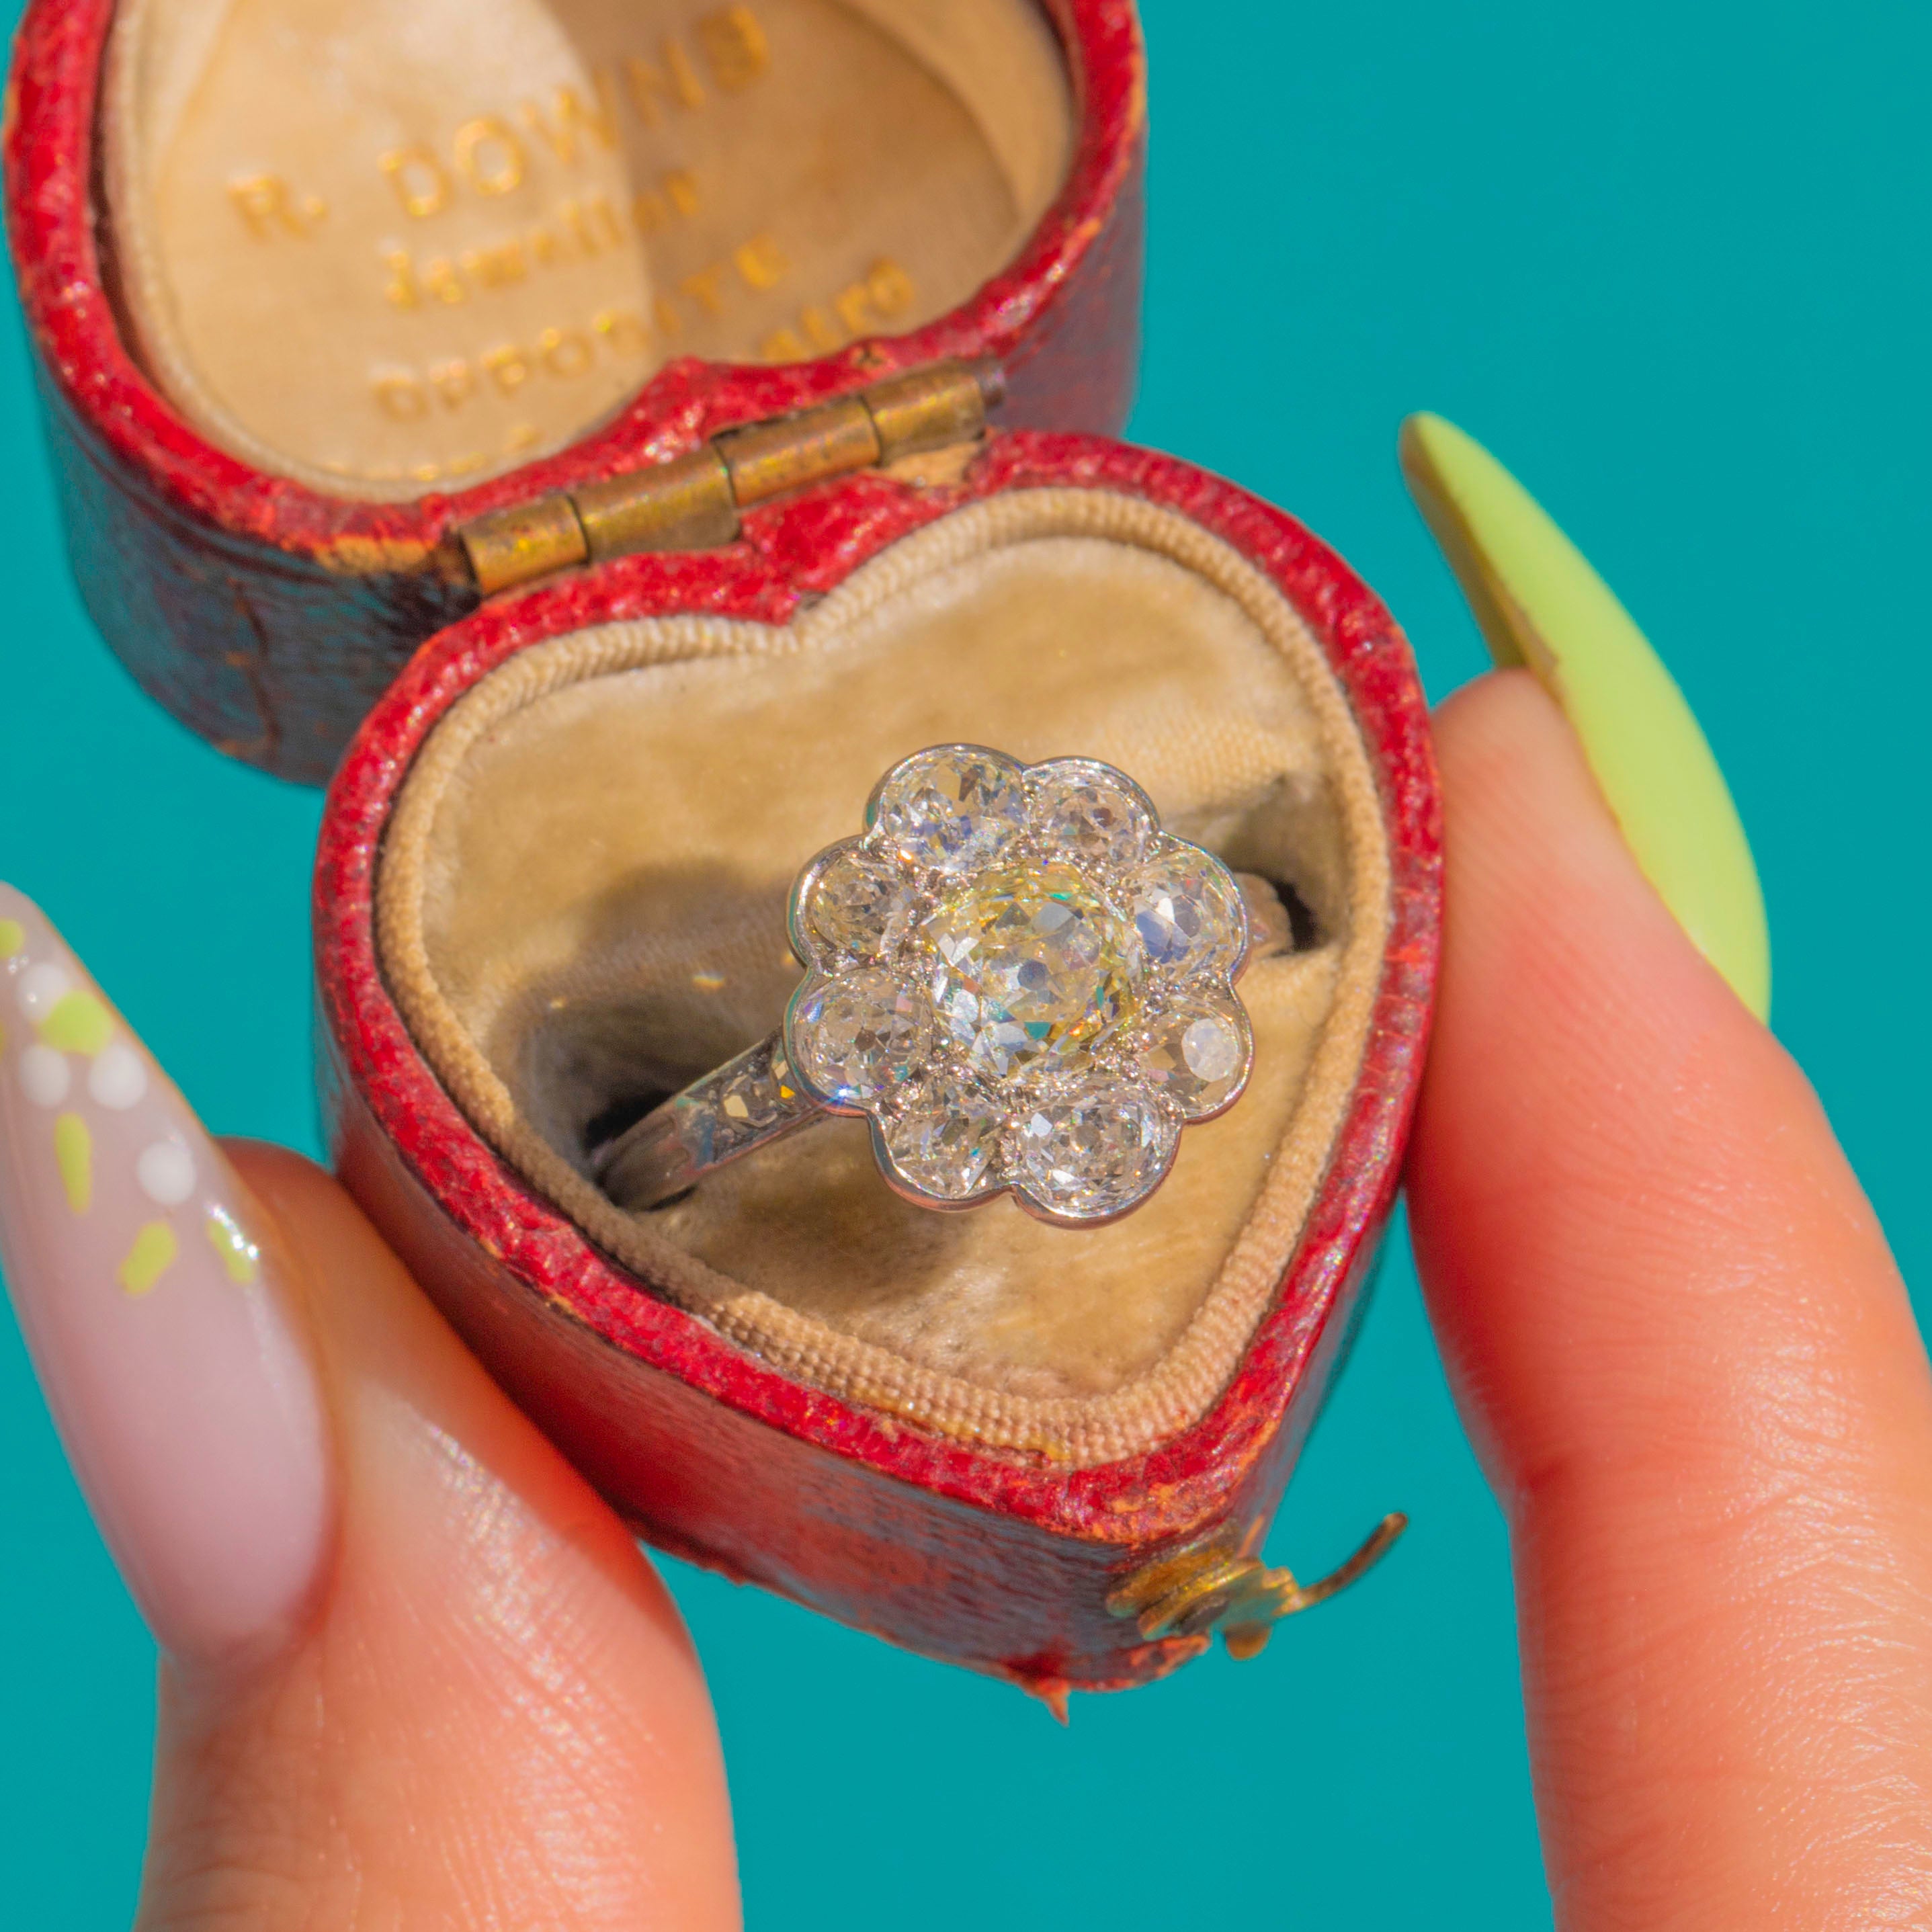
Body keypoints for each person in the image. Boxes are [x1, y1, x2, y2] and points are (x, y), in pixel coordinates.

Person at [2, 421, 1927, 1927]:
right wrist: (712, 1123)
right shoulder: (866, 1033)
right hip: (821, 1072)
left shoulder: (1126, 954)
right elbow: (769, 1098)